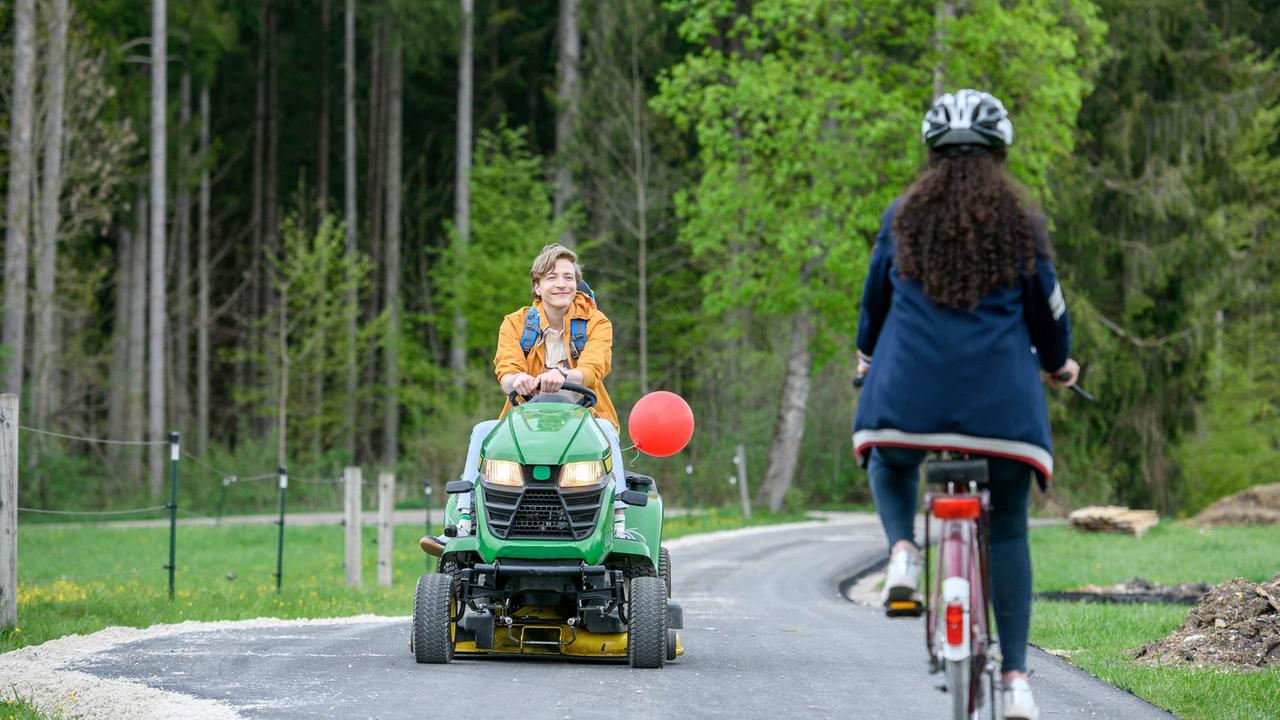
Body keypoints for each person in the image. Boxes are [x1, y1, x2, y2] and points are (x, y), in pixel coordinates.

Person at [851, 89, 1079, 720]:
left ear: (932, 154)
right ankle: (1014, 681)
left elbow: (874, 306)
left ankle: (901, 551)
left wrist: (866, 356)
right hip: (1001, 408)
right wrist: (1060, 365)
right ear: (1000, 153)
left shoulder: (902, 216)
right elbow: (1051, 314)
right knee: (1007, 528)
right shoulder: (1022, 225)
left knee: (889, 461)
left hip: (906, 395)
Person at [494, 243, 618, 429]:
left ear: (576, 285)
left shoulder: (597, 322)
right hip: (526, 422)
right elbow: (506, 375)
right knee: (480, 433)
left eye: (568, 278)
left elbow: (593, 370)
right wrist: (517, 379)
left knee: (609, 434)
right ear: (537, 287)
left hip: (587, 421)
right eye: (552, 278)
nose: (562, 284)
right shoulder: (514, 323)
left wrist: (563, 375)